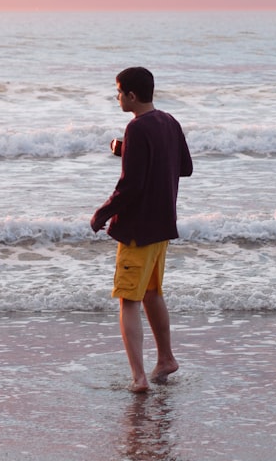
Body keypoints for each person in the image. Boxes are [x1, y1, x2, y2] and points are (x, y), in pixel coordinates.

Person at [91, 66, 193, 393]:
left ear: (132, 96)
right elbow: (185, 167)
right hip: (162, 226)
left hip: (137, 229)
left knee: (128, 299)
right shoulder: (169, 121)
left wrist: (102, 213)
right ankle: (166, 359)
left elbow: (131, 186)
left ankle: (138, 377)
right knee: (151, 293)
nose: (117, 97)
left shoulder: (137, 128)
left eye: (119, 92)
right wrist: (126, 149)